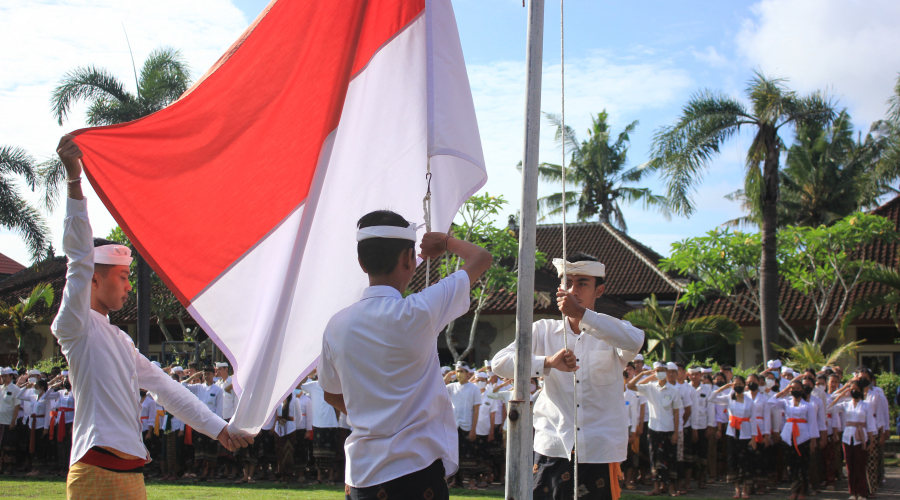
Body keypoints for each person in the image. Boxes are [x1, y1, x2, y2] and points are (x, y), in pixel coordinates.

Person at [52, 136, 250, 499]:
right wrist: (74, 180)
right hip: (95, 471)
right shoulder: (75, 326)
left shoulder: (121, 340)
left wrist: (219, 429)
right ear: (94, 280)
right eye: (123, 278)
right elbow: (78, 257)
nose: (129, 288)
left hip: (131, 475)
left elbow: (167, 390)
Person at [316, 209, 491, 499]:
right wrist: (446, 242)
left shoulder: (336, 325)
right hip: (416, 469)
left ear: (361, 262)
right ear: (410, 260)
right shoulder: (419, 311)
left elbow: (331, 394)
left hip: (363, 474)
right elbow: (481, 258)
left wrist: (374, 413)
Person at [494, 251, 644, 500]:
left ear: (599, 290)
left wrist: (582, 315)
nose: (573, 289)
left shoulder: (614, 331)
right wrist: (547, 363)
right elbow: (499, 363)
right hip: (552, 445)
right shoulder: (543, 331)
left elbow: (635, 341)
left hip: (599, 449)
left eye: (583, 283)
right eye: (568, 282)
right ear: (559, 288)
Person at [629, 362, 682, 497]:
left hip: (669, 430)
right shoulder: (650, 387)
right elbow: (630, 386)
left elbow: (676, 413)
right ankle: (657, 487)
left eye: (663, 370)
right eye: (658, 370)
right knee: (655, 459)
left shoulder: (673, 390)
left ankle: (670, 488)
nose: (661, 372)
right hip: (654, 429)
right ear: (655, 372)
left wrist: (676, 432)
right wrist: (642, 374)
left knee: (670, 459)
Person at [708, 375, 756, 499]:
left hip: (745, 434)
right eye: (735, 384)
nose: (737, 386)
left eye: (740, 384)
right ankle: (737, 490)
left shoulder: (749, 400)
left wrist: (754, 438)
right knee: (733, 461)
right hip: (732, 433)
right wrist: (723, 387)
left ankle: (745, 489)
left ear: (744, 385)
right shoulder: (730, 398)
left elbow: (754, 420)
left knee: (745, 461)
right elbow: (711, 399)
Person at [829, 379, 876, 500]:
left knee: (860, 465)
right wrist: (842, 393)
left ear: (861, 390)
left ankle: (862, 492)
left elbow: (870, 424)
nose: (854, 391)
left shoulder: (866, 405)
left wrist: (871, 441)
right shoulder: (845, 404)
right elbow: (829, 408)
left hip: (861, 437)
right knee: (850, 466)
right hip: (847, 437)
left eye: (856, 389)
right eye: (852, 389)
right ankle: (853, 492)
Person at [774, 378, 819, 500]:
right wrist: (784, 391)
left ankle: (803, 491)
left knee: (803, 464)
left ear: (802, 390)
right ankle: (794, 490)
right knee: (791, 464)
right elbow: (770, 402)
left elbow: (812, 423)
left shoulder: (808, 406)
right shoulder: (786, 402)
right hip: (788, 436)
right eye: (793, 388)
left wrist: (813, 440)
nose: (795, 391)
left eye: (797, 389)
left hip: (803, 437)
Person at [181, 366, 225, 481]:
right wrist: (194, 376)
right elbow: (183, 385)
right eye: (205, 374)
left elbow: (219, 409)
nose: (206, 376)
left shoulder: (218, 390)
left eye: (209, 374)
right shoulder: (199, 387)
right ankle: (203, 472)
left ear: (213, 375)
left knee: (210, 449)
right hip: (200, 423)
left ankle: (210, 472)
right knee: (200, 449)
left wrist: (218, 425)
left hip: (211, 423)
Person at [445, 362, 482, 490]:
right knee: (454, 454)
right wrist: (446, 378)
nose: (459, 374)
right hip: (454, 425)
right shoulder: (451, 387)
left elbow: (476, 410)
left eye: (461, 371)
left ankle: (471, 481)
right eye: (457, 371)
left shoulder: (474, 388)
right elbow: (437, 388)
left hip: (467, 425)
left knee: (469, 454)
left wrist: (473, 429)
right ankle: (455, 480)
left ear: (467, 373)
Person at [300, 371, 341, 485]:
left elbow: (337, 404)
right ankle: (319, 478)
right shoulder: (314, 385)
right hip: (318, 423)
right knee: (317, 454)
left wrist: (337, 420)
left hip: (331, 423)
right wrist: (308, 371)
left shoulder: (333, 385)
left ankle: (331, 478)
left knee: (331, 453)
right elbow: (298, 384)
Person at [687, 366, 716, 490]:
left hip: (703, 426)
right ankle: (688, 481)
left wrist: (710, 426)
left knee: (703, 454)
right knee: (689, 454)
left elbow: (710, 409)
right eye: (692, 374)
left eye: (697, 374)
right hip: (688, 425)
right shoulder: (685, 388)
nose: (694, 376)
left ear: (700, 375)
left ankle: (701, 479)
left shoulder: (707, 389)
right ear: (689, 375)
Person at [745, 373, 770, 495]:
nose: (752, 384)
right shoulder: (743, 396)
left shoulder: (764, 398)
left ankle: (761, 485)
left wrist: (766, 436)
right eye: (749, 382)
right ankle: (749, 485)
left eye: (754, 381)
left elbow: (767, 418)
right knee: (748, 458)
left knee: (761, 458)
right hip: (746, 429)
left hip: (760, 429)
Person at [214, 362, 237, 480]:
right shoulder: (218, 384)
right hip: (220, 417)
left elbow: (235, 401)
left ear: (226, 369)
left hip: (230, 417)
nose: (217, 372)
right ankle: (226, 469)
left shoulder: (233, 382)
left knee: (232, 445)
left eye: (219, 369)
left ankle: (234, 470)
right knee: (223, 447)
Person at [674, 363, 694, 495]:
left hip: (685, 426)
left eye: (678, 370)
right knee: (673, 457)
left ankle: (685, 483)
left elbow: (690, 410)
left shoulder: (688, 389)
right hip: (670, 428)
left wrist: (682, 422)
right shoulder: (668, 386)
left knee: (686, 458)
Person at [0, 367, 22, 474]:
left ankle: (9, 467)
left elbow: (17, 407)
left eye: (5, 376)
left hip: (8, 421)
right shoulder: (1, 388)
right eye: (2, 376)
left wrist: (13, 421)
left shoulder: (15, 389)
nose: (3, 378)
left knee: (9, 445)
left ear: (11, 376)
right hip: (0, 421)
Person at [273, 394, 297, 484]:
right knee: (280, 453)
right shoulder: (277, 400)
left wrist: (294, 426)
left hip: (290, 429)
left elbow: (298, 416)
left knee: (288, 453)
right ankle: (281, 475)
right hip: (279, 428)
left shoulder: (294, 400)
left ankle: (288, 476)